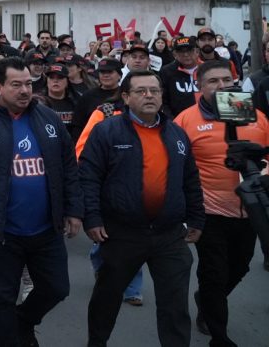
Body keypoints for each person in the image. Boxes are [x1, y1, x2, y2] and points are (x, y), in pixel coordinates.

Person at [0, 57, 83, 347]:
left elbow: (68, 167)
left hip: (46, 229)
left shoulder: (47, 119)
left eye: (28, 84)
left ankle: (24, 321)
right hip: (1, 233)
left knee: (57, 288)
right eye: (16, 85)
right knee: (4, 298)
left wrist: (73, 210)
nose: (25, 90)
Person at [78, 70, 204, 347]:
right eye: (141, 91)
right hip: (122, 234)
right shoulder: (106, 131)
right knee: (106, 299)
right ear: (126, 97)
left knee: (174, 306)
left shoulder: (176, 134)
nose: (149, 96)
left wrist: (196, 217)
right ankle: (96, 342)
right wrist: (92, 218)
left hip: (169, 235)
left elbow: (190, 179)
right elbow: (88, 177)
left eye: (155, 91)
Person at [174, 60, 269, 346]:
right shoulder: (186, 120)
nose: (221, 86)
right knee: (213, 273)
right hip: (208, 211)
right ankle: (219, 336)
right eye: (213, 81)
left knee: (239, 268)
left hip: (250, 209)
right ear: (200, 86)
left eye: (226, 79)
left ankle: (207, 301)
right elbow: (177, 166)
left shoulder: (258, 117)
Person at [160, 35, 200, 117]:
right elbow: (163, 101)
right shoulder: (166, 71)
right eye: (181, 51)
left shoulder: (207, 69)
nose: (186, 54)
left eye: (189, 50)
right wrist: (172, 122)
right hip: (178, 122)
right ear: (175, 54)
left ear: (197, 51)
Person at [34, 62, 77, 137]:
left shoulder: (75, 102)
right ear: (47, 81)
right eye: (51, 77)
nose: (55, 81)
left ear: (67, 82)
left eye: (60, 77)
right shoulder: (37, 103)